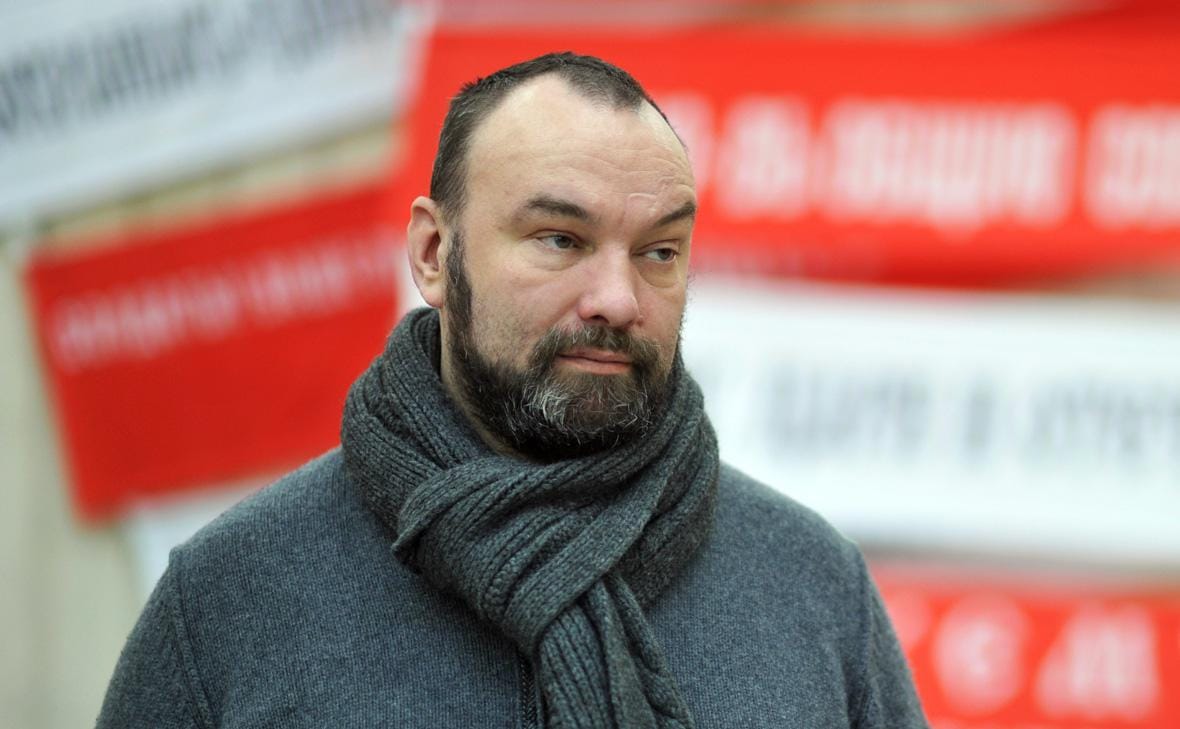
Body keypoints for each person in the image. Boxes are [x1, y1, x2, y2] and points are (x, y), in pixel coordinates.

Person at [97, 52, 929, 728]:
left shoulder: (811, 585)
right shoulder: (234, 594)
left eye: (659, 251)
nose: (618, 298)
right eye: (561, 239)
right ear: (434, 254)